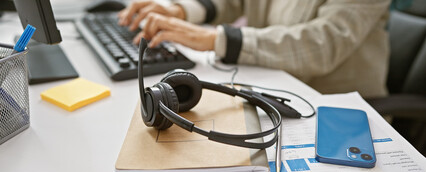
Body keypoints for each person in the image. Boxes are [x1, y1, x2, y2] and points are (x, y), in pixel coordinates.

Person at [118, 0, 391, 98]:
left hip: (332, 108)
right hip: (274, 86)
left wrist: (216, 39)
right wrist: (178, 10)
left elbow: (321, 44)